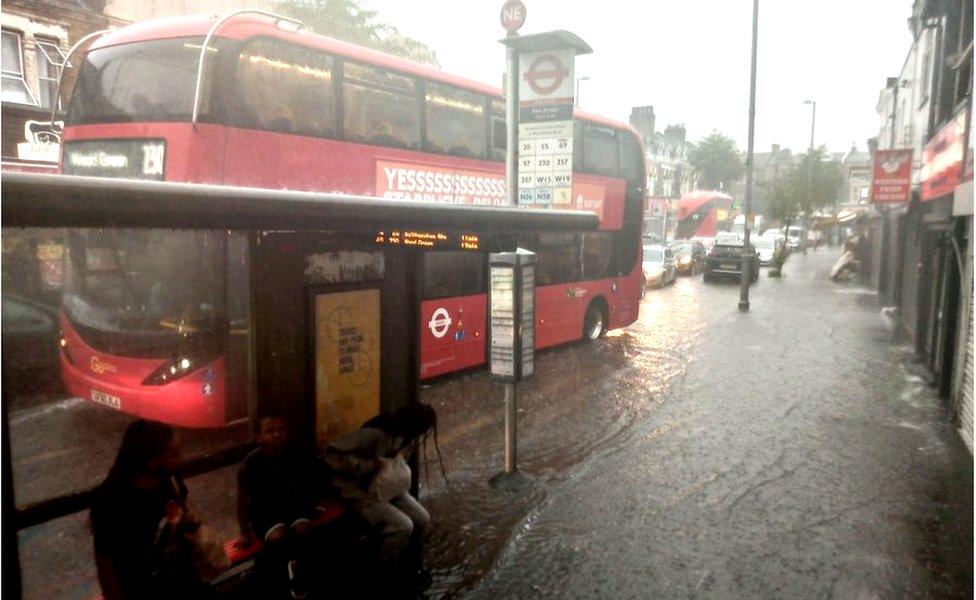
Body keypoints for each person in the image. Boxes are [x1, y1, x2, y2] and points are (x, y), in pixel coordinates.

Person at [90, 420, 210, 600]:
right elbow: (105, 563)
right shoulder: (110, 499)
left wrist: (190, 520)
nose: (182, 458)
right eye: (174, 455)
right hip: (140, 588)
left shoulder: (169, 478)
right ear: (152, 462)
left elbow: (184, 504)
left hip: (181, 577)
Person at [324, 404, 437, 575]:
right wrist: (368, 466)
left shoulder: (405, 437)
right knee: (402, 526)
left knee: (422, 518)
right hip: (359, 491)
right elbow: (332, 454)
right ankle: (385, 569)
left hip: (386, 488)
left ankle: (407, 558)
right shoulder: (375, 433)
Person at [236, 414, 322, 598]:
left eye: (281, 429)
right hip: (265, 510)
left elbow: (307, 483)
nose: (277, 434)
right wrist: (244, 531)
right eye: (270, 431)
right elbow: (241, 500)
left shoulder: (295, 453)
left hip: (293, 504)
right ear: (258, 437)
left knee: (304, 530)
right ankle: (281, 576)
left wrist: (311, 503)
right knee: (278, 537)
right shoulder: (251, 463)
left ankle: (297, 568)